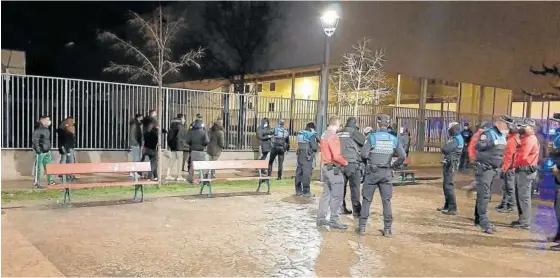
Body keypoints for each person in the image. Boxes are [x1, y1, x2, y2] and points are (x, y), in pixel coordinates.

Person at [357, 114, 406, 237]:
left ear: (378, 123)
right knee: (386, 201)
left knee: (367, 200)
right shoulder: (393, 139)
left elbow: (363, 154)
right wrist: (393, 166)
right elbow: (403, 156)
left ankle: (362, 228)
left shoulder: (372, 137)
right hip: (386, 173)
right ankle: (388, 229)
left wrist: (368, 162)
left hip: (372, 172)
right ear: (388, 123)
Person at [473, 119, 508, 234]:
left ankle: (478, 218)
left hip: (493, 169)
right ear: (499, 123)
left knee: (484, 194)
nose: (507, 128)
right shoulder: (488, 134)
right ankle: (484, 221)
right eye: (506, 125)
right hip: (484, 168)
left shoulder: (501, 136)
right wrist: (490, 143)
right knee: (484, 194)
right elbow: (478, 145)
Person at [316, 116, 349, 230]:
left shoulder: (324, 134)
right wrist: (345, 162)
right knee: (337, 195)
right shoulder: (333, 136)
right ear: (337, 125)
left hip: (325, 167)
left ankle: (321, 218)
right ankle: (334, 220)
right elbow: (336, 155)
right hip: (333, 168)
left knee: (326, 194)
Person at [511, 118, 540, 229]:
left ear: (531, 128)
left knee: (524, 197)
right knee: (522, 196)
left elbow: (522, 156)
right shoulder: (527, 138)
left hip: (525, 171)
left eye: (525, 126)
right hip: (525, 170)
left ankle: (525, 221)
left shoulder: (529, 140)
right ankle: (522, 219)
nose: (522, 128)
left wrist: (513, 166)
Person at [337, 117, 367, 217]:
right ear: (354, 124)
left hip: (340, 163)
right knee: (355, 187)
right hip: (352, 164)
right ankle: (356, 211)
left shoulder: (339, 132)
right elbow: (365, 142)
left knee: (342, 187)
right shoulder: (353, 132)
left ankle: (341, 207)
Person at [437, 122, 464, 215]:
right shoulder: (455, 138)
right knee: (446, 185)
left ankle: (452, 208)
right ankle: (447, 206)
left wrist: (443, 148)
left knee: (448, 186)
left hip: (452, 165)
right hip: (449, 163)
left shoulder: (456, 139)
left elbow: (445, 149)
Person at [496, 116, 520, 213]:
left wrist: (504, 169)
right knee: (506, 187)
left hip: (509, 168)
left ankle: (510, 205)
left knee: (509, 188)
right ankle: (504, 204)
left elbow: (509, 157)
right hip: (510, 167)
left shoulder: (511, 141)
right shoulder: (512, 138)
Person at [294, 122, 319, 197]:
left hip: (300, 155)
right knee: (306, 173)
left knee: (299, 172)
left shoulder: (300, 134)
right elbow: (314, 147)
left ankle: (298, 190)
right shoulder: (310, 134)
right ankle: (306, 192)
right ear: (312, 128)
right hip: (307, 155)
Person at [32, 115, 56, 188]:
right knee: (39, 168)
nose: (49, 122)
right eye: (47, 120)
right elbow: (35, 141)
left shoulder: (46, 129)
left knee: (49, 167)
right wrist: (38, 150)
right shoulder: (38, 129)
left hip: (47, 151)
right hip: (40, 151)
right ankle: (37, 183)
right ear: (42, 120)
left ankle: (51, 181)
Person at [186, 117, 210, 183]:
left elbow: (187, 141)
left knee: (192, 166)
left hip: (193, 151)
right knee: (202, 166)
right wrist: (203, 145)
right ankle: (202, 179)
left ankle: (191, 179)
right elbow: (207, 141)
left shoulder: (191, 132)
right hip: (201, 151)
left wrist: (192, 144)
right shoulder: (204, 132)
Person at [166, 114, 187, 181]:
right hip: (179, 146)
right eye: (184, 118)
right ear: (181, 119)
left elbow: (169, 137)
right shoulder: (180, 126)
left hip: (173, 146)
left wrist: (170, 145)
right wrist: (183, 144)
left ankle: (168, 175)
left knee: (172, 161)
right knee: (180, 161)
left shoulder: (172, 126)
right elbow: (181, 137)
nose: (184, 120)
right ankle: (179, 176)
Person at [57, 117, 77, 181]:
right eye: (72, 121)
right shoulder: (66, 130)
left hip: (65, 147)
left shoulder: (64, 129)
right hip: (67, 147)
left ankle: (63, 174)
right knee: (70, 161)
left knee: (64, 160)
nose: (73, 123)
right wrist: (68, 150)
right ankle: (69, 175)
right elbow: (66, 141)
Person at [534, 123, 548, 196]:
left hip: (537, 159)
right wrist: (545, 157)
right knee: (539, 175)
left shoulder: (536, 136)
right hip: (540, 159)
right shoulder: (543, 136)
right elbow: (545, 148)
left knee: (536, 175)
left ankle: (535, 189)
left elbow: (545, 148)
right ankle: (537, 189)